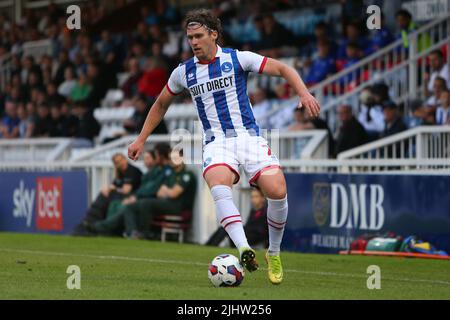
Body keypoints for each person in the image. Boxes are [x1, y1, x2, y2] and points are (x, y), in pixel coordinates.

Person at [127, 9, 320, 285]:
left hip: (248, 136)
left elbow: (283, 68)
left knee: (277, 190)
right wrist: (141, 138)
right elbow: (160, 104)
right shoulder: (183, 72)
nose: (193, 42)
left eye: (198, 36)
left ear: (213, 34)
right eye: (189, 37)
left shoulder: (237, 58)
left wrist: (303, 91)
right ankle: (243, 249)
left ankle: (274, 252)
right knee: (219, 185)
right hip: (216, 142)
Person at [72, 153, 142, 236]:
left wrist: (113, 189)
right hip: (121, 196)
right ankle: (89, 221)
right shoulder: (119, 173)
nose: (120, 163)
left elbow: (126, 190)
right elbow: (114, 185)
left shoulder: (132, 171)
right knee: (103, 195)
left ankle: (94, 225)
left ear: (125, 159)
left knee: (107, 200)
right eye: (117, 162)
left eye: (121, 160)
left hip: (131, 197)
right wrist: (108, 188)